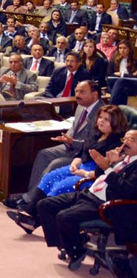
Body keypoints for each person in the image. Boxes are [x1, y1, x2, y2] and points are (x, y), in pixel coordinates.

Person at [7, 105, 128, 232]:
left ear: (115, 122)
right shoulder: (97, 134)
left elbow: (106, 169)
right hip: (82, 165)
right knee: (50, 176)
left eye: (106, 119)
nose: (101, 121)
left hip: (94, 175)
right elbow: (83, 152)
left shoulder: (117, 144)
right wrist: (75, 162)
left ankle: (36, 221)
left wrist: (85, 173)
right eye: (100, 117)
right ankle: (30, 212)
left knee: (61, 186)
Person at [34, 129, 137, 268]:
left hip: (105, 203)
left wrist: (108, 167)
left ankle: (75, 249)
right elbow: (99, 174)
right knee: (44, 205)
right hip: (89, 193)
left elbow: (126, 189)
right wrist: (108, 163)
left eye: (132, 140)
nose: (125, 143)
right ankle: (68, 245)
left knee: (64, 217)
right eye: (124, 139)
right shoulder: (123, 156)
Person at [12, 79, 103, 206]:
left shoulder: (102, 113)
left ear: (95, 94)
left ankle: (31, 200)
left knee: (55, 164)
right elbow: (73, 127)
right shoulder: (80, 107)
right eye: (76, 91)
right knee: (43, 154)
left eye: (82, 92)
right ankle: (30, 195)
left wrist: (73, 142)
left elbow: (95, 142)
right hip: (70, 145)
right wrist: (66, 138)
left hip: (84, 154)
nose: (77, 95)